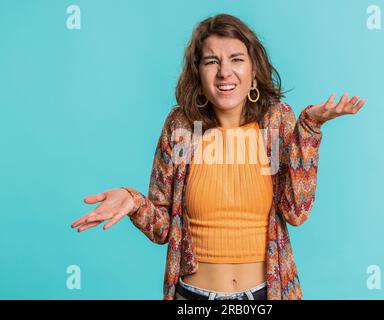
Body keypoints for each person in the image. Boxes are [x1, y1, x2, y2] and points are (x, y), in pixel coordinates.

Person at [71, 13, 365, 300]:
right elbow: (164, 228)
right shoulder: (182, 127)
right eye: (212, 61)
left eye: (236, 59)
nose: (225, 72)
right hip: (192, 298)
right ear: (198, 72)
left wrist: (309, 129)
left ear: (253, 71)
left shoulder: (274, 124)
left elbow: (296, 212)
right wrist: (133, 200)